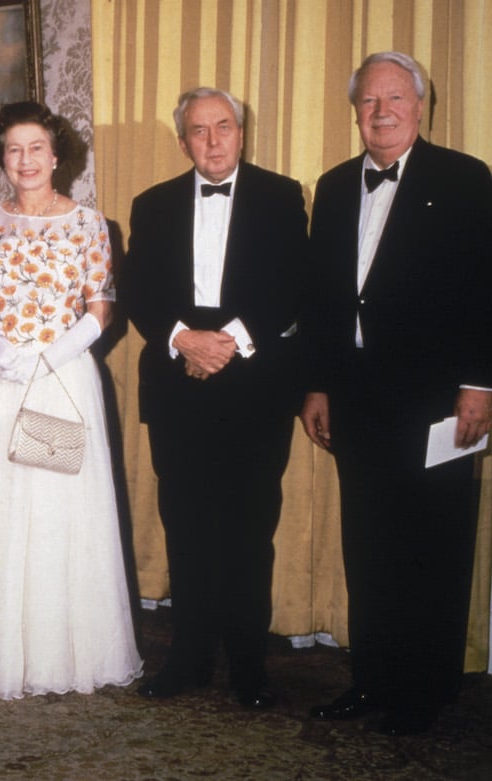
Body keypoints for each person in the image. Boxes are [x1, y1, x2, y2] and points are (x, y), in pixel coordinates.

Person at [0, 101, 142, 699]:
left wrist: (50, 354)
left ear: (57, 155)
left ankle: (57, 652)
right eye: (14, 149)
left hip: (60, 376)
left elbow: (103, 307)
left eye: (36, 147)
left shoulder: (90, 223)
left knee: (56, 507)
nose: (26, 160)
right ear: (2, 160)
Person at [300, 52, 492, 736]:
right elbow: (323, 298)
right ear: (355, 112)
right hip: (357, 398)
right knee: (370, 547)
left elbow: (484, 289)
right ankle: (373, 679)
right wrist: (316, 383)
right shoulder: (331, 183)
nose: (381, 112)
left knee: (433, 545)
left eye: (394, 99)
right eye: (368, 102)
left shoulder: (466, 179)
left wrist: (480, 383)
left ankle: (424, 689)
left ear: (421, 106)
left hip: (439, 402)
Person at [119, 88, 307, 707]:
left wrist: (225, 343)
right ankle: (189, 657)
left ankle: (249, 664)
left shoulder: (282, 196)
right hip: (177, 387)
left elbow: (293, 286)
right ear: (183, 142)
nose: (213, 141)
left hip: (254, 385)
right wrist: (183, 339)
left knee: (251, 528)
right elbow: (139, 289)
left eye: (223, 127)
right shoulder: (152, 204)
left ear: (241, 132)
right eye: (198, 132)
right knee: (187, 527)